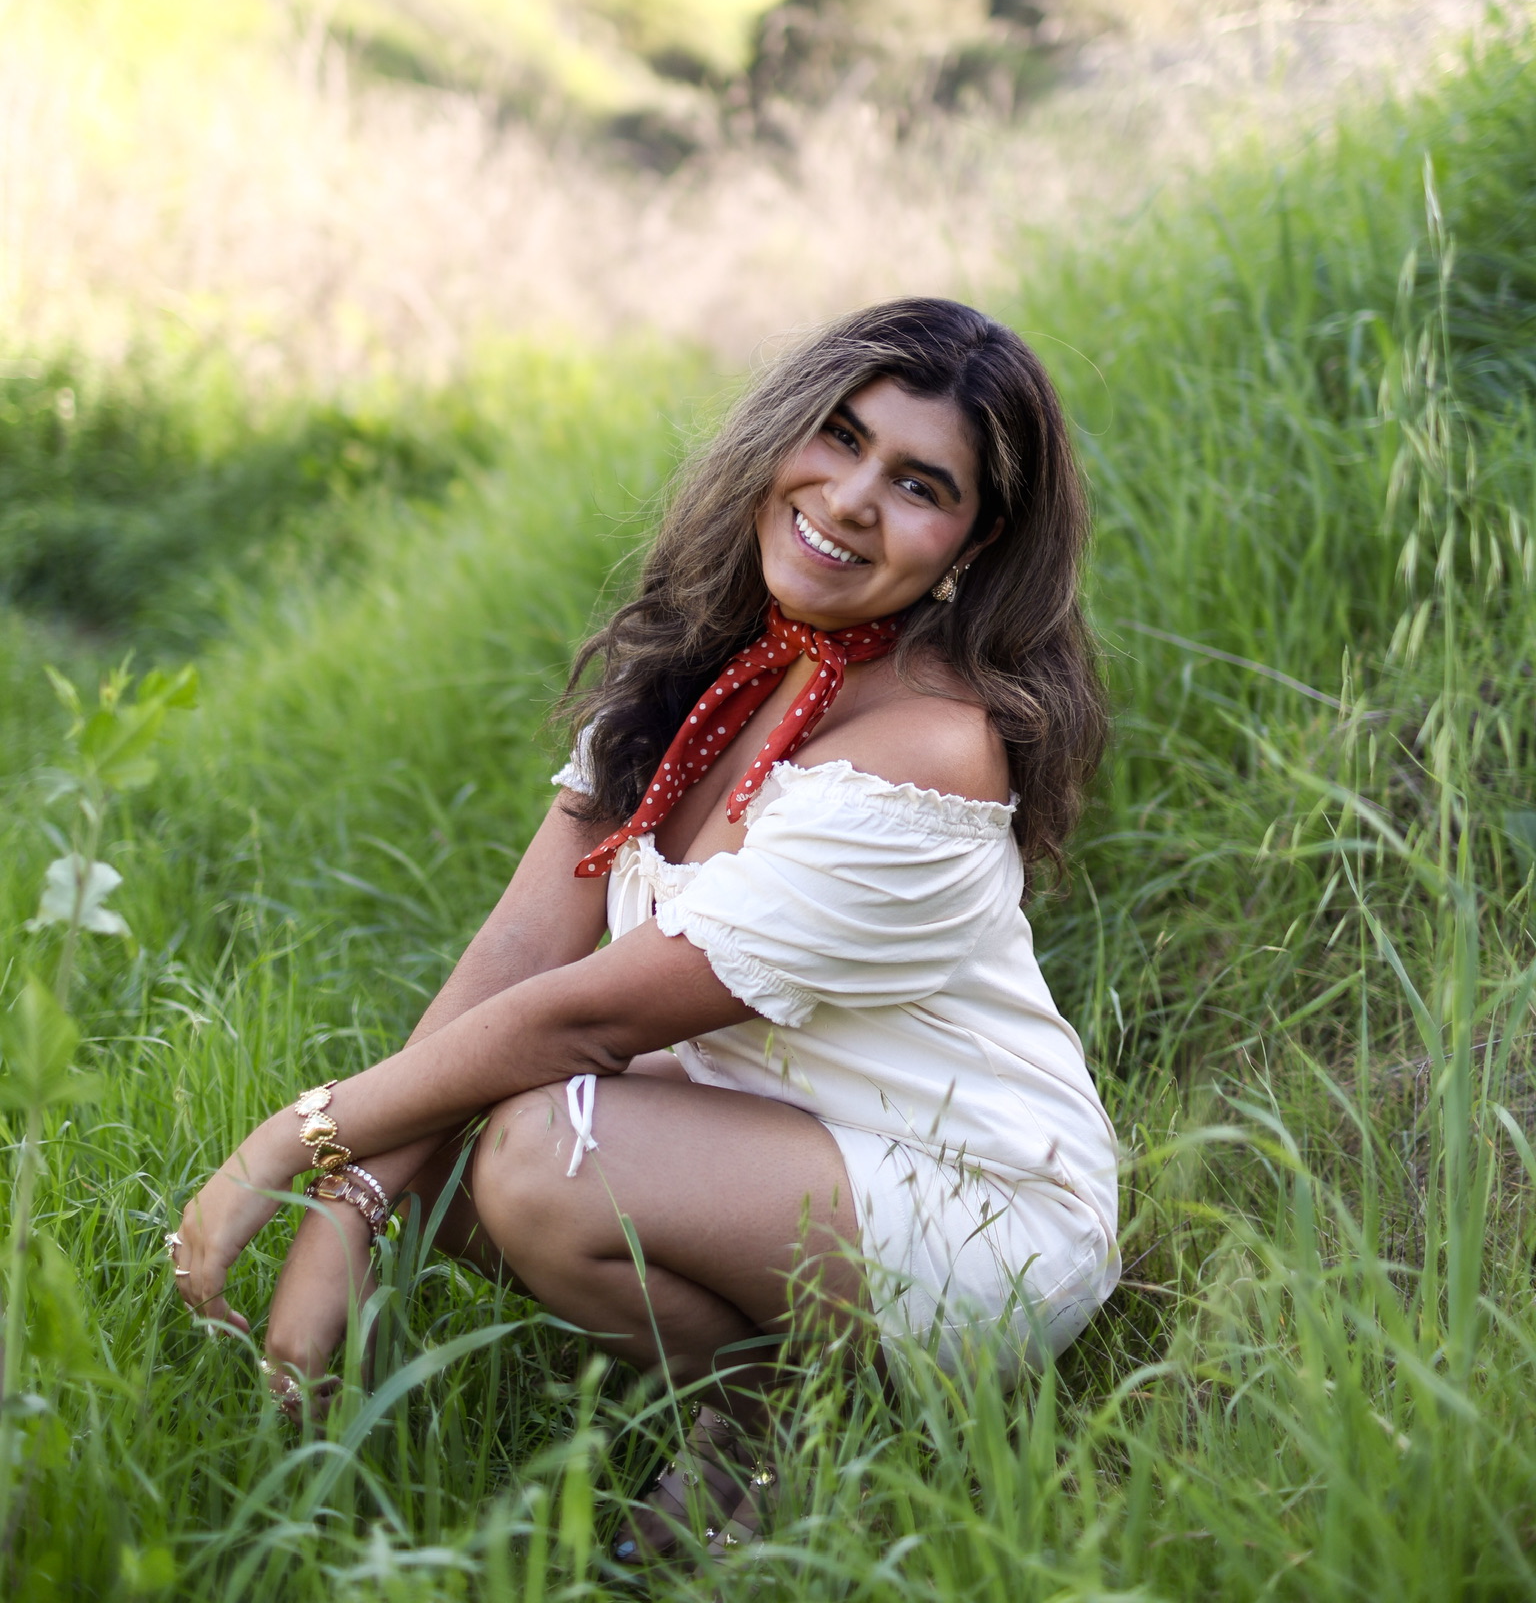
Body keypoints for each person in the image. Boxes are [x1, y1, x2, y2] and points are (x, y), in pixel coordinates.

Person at [169, 297, 1120, 1560]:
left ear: (971, 542)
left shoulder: (926, 754)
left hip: (979, 1211)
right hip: (798, 1137)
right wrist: (363, 1191)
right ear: (783, 433)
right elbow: (520, 954)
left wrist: (299, 1143)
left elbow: (592, 1013)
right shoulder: (722, 664)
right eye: (837, 437)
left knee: (531, 1156)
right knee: (448, 1127)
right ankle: (762, 1397)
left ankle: (774, 1423)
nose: (846, 499)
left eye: (917, 484)